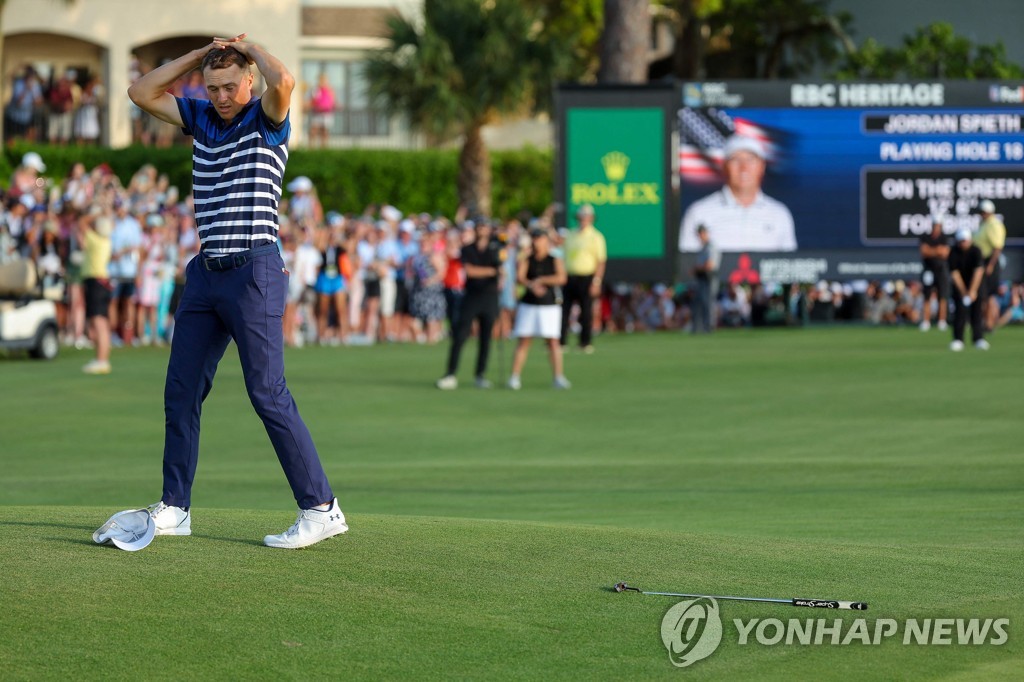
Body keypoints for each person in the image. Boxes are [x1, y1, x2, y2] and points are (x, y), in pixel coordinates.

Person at [125, 33, 345, 548]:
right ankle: (175, 507)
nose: (222, 96)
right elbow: (140, 92)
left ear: (250, 80)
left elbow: (285, 80)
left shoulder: (267, 116)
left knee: (267, 392)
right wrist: (200, 56)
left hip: (254, 271)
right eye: (214, 87)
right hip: (205, 274)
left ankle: (321, 508)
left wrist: (254, 46)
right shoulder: (200, 118)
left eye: (231, 85)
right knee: (181, 392)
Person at [679, 135, 796, 253]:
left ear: (762, 167)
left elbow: (789, 266)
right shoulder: (699, 213)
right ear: (725, 167)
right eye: (735, 159)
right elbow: (685, 266)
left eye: (751, 159)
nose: (744, 168)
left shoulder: (780, 214)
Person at [437, 219, 505, 389]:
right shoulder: (467, 249)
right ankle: (450, 373)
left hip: (489, 297)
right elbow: (470, 271)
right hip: (472, 297)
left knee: (485, 338)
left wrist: (495, 271)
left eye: (485, 226)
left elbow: (501, 271)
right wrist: (491, 271)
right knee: (460, 335)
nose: (482, 229)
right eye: (480, 226)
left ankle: (480, 374)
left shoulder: (496, 249)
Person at [508, 227, 570, 390]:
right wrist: (531, 285)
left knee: (553, 342)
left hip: (549, 305)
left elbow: (561, 277)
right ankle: (515, 376)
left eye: (540, 238)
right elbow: (520, 277)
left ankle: (558, 376)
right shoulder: (527, 259)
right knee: (524, 341)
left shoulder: (554, 259)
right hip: (529, 304)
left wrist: (542, 280)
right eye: (534, 239)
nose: (537, 242)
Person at [559, 204, 606, 354]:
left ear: (591, 219)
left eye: (587, 217)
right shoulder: (571, 234)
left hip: (587, 277)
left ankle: (585, 342)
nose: (584, 219)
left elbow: (600, 261)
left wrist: (596, 281)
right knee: (564, 310)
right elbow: (562, 255)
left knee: (586, 311)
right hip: (569, 277)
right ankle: (561, 342)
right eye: (582, 216)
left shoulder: (596, 237)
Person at [76, 205, 113, 374]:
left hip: (96, 282)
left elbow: (81, 223)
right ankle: (101, 358)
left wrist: (96, 212)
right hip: (101, 282)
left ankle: (102, 360)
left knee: (99, 322)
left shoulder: (95, 240)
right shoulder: (105, 240)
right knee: (101, 322)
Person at [947, 228, 988, 351]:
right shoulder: (953, 252)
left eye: (965, 240)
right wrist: (964, 291)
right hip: (960, 287)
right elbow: (954, 273)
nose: (963, 243)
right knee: (959, 313)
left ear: (969, 240)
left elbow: (978, 271)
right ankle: (958, 339)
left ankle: (978, 339)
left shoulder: (976, 251)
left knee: (977, 313)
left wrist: (972, 291)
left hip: (976, 285)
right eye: (961, 241)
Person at [974, 199, 1006, 332]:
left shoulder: (994, 224)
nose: (981, 214)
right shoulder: (984, 224)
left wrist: (991, 265)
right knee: (984, 295)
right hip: (982, 261)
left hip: (989, 262)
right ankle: (985, 322)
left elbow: (997, 247)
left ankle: (989, 323)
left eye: (983, 212)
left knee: (989, 295)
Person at [918, 215, 950, 331]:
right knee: (927, 295)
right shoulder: (925, 237)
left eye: (938, 225)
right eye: (935, 225)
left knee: (942, 296)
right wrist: (937, 251)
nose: (936, 227)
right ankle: (926, 321)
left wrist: (931, 250)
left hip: (941, 270)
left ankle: (942, 321)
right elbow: (924, 251)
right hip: (928, 270)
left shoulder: (944, 238)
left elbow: (945, 253)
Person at [691, 225, 719, 333]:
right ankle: (700, 327)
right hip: (702, 279)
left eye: (700, 233)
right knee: (700, 303)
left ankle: (708, 327)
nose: (699, 236)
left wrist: (697, 268)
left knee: (708, 303)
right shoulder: (703, 247)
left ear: (705, 233)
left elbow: (710, 265)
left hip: (709, 278)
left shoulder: (711, 247)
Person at [307, 72, 335, 148]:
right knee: (314, 130)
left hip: (326, 113)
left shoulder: (329, 90)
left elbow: (332, 100)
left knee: (324, 131)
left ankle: (324, 147)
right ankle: (311, 147)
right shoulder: (316, 89)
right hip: (317, 113)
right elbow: (313, 100)